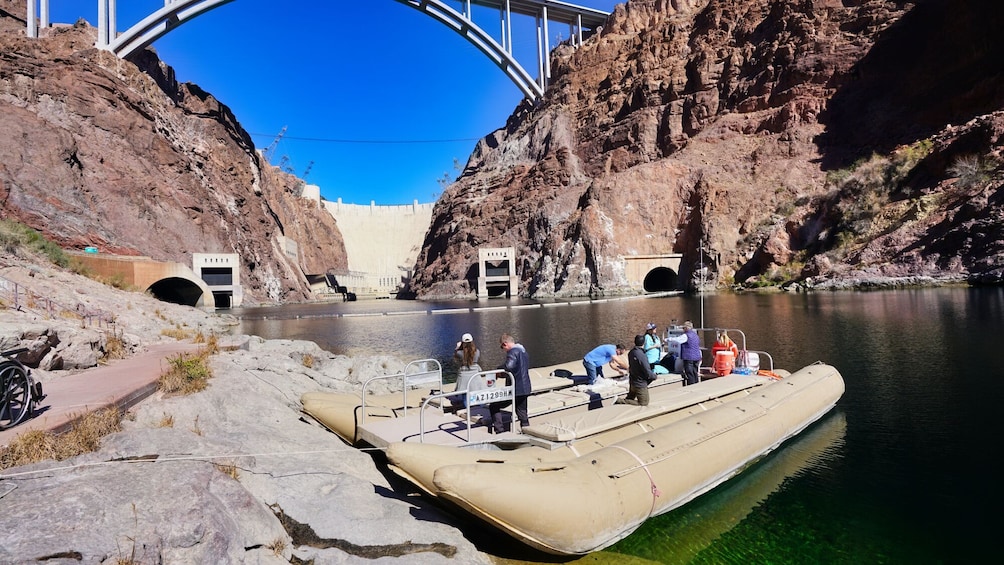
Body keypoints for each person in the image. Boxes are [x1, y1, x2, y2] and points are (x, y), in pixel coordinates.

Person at [489, 333, 531, 434]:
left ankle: (500, 430)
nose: (504, 350)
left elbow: (509, 366)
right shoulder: (524, 351)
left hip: (515, 388)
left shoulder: (512, 352)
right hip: (525, 387)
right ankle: (526, 430)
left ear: (505, 344)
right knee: (521, 410)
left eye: (502, 347)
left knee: (494, 406)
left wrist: (498, 371)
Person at [616, 334, 657, 406]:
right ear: (644, 343)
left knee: (630, 397)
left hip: (632, 381)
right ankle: (619, 401)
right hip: (640, 383)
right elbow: (646, 369)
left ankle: (622, 403)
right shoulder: (641, 355)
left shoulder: (631, 352)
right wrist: (653, 376)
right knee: (644, 402)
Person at [451, 333, 482, 409]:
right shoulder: (477, 351)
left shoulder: (459, 353)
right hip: (475, 374)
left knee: (465, 395)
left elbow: (455, 355)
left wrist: (457, 347)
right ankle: (478, 408)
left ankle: (468, 410)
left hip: (464, 375)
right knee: (475, 392)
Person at [665, 320, 701, 386]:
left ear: (686, 328)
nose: (683, 329)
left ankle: (691, 386)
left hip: (689, 357)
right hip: (697, 357)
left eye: (683, 328)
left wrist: (668, 339)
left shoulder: (686, 335)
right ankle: (697, 385)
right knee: (695, 372)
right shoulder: (696, 335)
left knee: (689, 373)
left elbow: (677, 340)